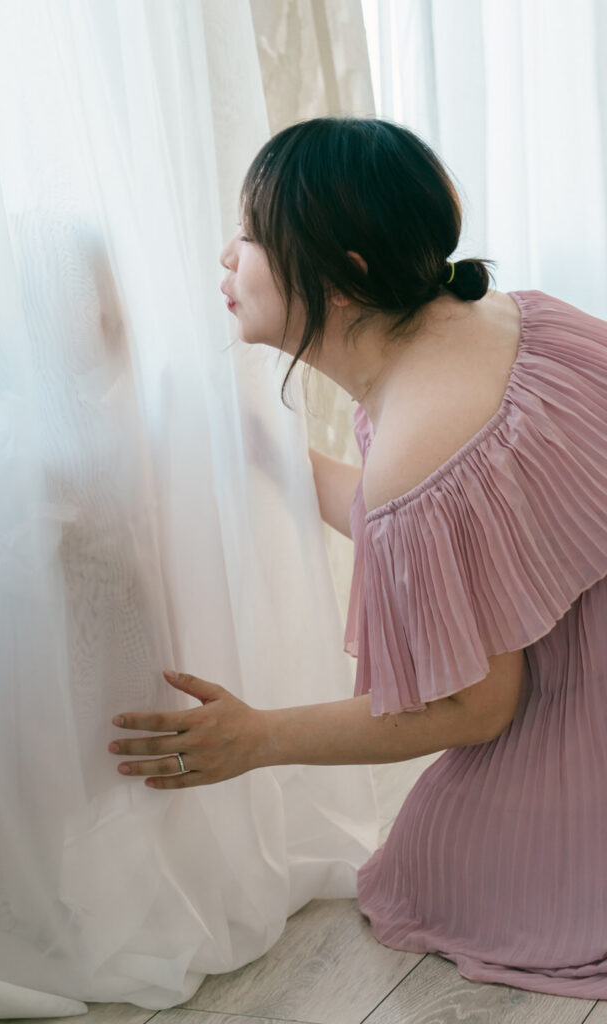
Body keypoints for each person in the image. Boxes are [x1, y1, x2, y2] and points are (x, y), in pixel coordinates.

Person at [108, 116, 607, 999]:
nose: (230, 258)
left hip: (582, 719)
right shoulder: (516, 321)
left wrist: (259, 737)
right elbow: (452, 537)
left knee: (432, 877)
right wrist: (274, 462)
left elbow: (479, 706)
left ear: (344, 278)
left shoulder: (422, 450)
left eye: (253, 236)